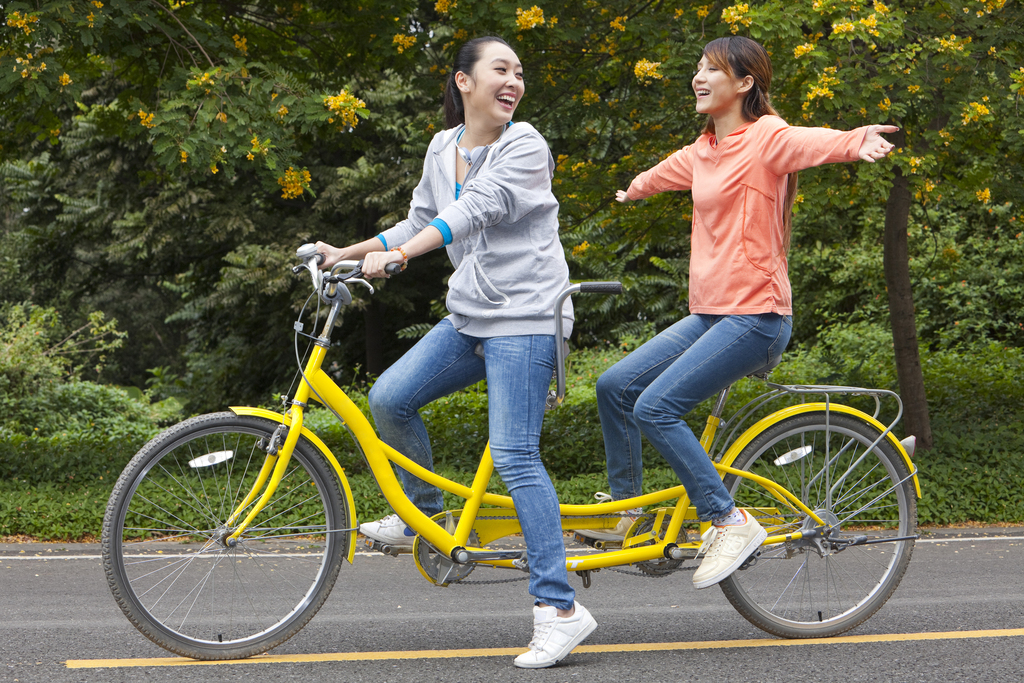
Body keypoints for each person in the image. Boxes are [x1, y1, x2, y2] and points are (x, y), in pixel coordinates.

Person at [315, 37, 595, 669]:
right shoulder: (443, 148)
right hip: (471, 317)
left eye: (519, 73)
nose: (513, 81)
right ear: (464, 81)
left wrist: (403, 258)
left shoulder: (524, 144)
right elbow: (419, 219)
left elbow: (476, 210)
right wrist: (350, 253)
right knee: (390, 397)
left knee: (517, 455)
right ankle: (427, 519)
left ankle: (560, 610)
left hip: (525, 320)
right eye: (501, 69)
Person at [582, 35, 897, 590]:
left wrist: (856, 140)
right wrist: (635, 189)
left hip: (757, 317)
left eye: (713, 70)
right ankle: (627, 510)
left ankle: (728, 518)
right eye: (698, 68)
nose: (699, 78)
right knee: (615, 387)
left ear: (745, 83)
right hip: (711, 314)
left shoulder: (766, 139)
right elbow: (667, 172)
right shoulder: (704, 149)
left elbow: (808, 142)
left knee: (655, 407)